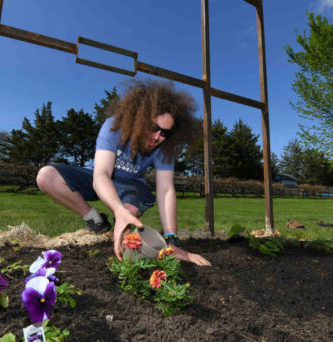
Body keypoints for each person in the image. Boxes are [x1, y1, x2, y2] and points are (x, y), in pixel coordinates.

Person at [36, 80, 210, 266]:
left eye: (165, 132)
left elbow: (166, 189)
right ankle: (94, 219)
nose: (157, 137)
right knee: (46, 176)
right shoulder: (114, 127)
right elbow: (101, 174)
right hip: (100, 178)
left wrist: (171, 240)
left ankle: (124, 226)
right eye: (153, 128)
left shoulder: (164, 147)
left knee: (129, 213)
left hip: (132, 185)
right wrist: (117, 210)